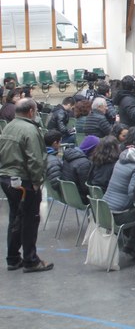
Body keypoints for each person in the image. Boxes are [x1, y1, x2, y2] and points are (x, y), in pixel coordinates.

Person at [0, 98, 54, 272]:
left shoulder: (8, 127)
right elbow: (35, 159)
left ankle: (13, 258)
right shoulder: (30, 130)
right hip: (24, 181)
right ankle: (31, 260)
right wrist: (37, 183)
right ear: (31, 111)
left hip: (7, 179)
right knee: (30, 220)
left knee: (15, 218)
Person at [61, 134, 100, 203]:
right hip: (80, 198)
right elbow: (86, 188)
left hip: (68, 195)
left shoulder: (70, 155)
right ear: (92, 149)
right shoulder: (84, 163)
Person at [44, 130, 64, 195]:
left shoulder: (43, 154)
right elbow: (56, 184)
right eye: (60, 142)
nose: (60, 145)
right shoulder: (53, 161)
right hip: (56, 194)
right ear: (55, 143)